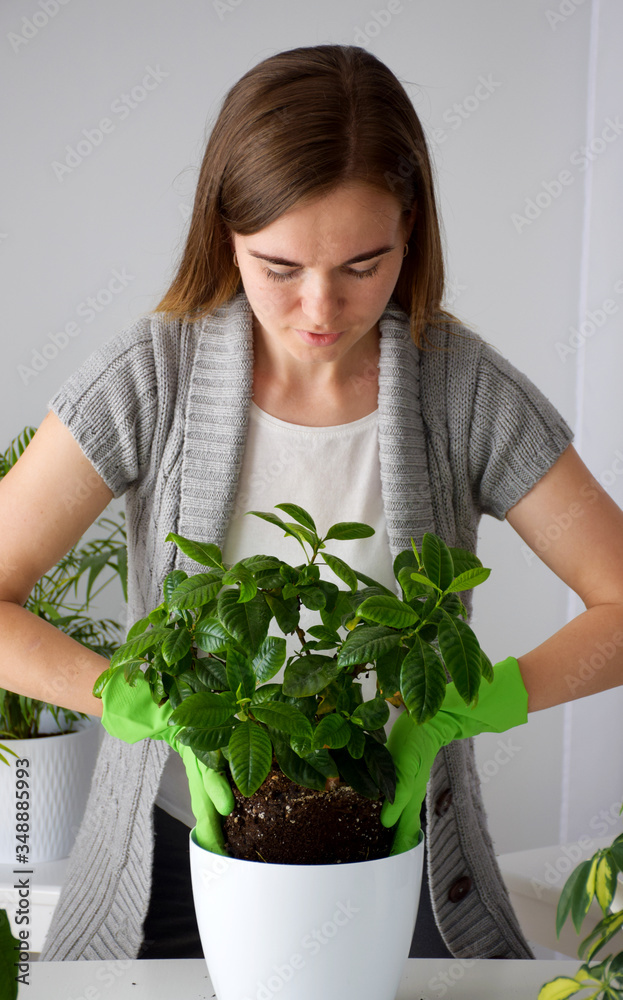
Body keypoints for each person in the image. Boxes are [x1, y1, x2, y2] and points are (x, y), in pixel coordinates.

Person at [1, 43, 622, 964]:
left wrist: (482, 700)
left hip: (395, 852)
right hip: (175, 860)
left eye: (362, 264)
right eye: (279, 266)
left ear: (410, 232)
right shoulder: (151, 377)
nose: (320, 307)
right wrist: (120, 694)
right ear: (224, 236)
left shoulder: (463, 392)